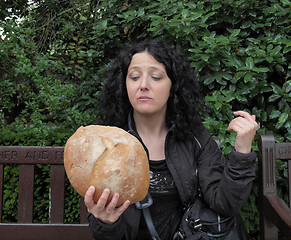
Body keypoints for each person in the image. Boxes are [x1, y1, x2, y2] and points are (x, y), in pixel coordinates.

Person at [84, 40, 258, 240]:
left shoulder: (196, 138)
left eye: (156, 77)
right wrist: (106, 223)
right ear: (124, 85)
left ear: (173, 86)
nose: (143, 85)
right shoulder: (107, 144)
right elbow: (108, 235)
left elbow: (225, 203)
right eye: (134, 77)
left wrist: (242, 151)